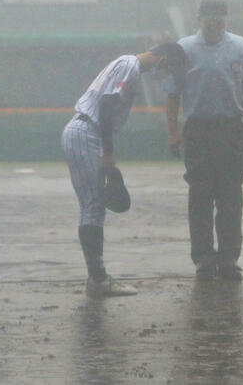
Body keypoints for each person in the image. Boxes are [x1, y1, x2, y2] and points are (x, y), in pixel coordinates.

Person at [63, 42, 188, 298]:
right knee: (93, 206)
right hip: (87, 132)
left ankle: (97, 278)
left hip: (85, 131)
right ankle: (98, 280)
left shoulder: (127, 65)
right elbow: (108, 104)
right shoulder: (129, 66)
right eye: (169, 69)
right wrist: (109, 153)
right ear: (163, 59)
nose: (165, 75)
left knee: (93, 205)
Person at [164, 0, 243, 281]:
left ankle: (229, 258)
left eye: (219, 20)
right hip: (197, 131)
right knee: (200, 197)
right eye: (209, 20)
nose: (214, 25)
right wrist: (173, 131)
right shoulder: (183, 50)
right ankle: (204, 259)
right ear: (199, 19)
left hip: (231, 130)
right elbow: (172, 93)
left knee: (231, 196)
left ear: (226, 20)